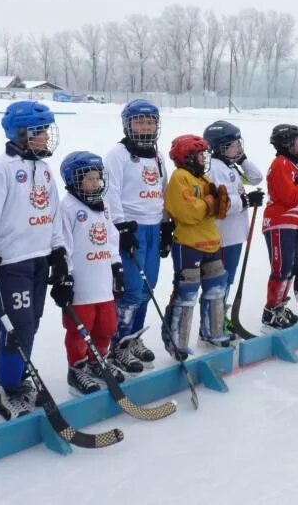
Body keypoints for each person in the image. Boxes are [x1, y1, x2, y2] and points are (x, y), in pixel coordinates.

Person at [0, 100, 63, 420]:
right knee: (17, 328)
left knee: (31, 325)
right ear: (21, 133)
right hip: (9, 262)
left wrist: (59, 251)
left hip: (38, 259)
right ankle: (6, 392)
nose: (46, 137)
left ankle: (19, 381)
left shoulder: (44, 169)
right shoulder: (2, 169)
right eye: (40, 132)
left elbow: (53, 216)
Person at [103, 99, 166, 374]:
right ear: (128, 125)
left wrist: (166, 224)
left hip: (153, 226)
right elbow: (110, 191)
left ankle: (134, 335)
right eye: (139, 121)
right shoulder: (117, 154)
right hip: (132, 227)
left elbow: (162, 190)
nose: (145, 126)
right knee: (130, 289)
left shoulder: (158, 155)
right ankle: (119, 343)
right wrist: (122, 226)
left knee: (148, 286)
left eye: (150, 121)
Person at [55, 152, 125, 395]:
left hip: (103, 280)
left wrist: (116, 266)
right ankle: (77, 369)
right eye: (89, 179)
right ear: (74, 181)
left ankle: (98, 361)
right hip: (81, 285)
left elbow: (111, 238)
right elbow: (63, 244)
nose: (95, 184)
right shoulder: (68, 208)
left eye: (97, 178)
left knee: (106, 326)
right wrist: (66, 276)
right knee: (79, 329)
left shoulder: (102, 205)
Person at [162, 135, 230, 357]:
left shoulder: (203, 178)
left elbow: (215, 210)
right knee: (187, 293)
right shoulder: (180, 177)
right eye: (200, 155)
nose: (204, 159)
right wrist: (209, 204)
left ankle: (213, 332)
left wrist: (217, 205)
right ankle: (177, 342)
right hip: (189, 245)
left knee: (216, 288)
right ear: (188, 157)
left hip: (211, 242)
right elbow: (187, 212)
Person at [202, 121, 264, 334]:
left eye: (239, 143)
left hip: (235, 235)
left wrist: (243, 159)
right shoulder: (216, 170)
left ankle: (220, 318)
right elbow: (223, 204)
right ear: (218, 147)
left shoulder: (230, 167)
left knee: (227, 280)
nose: (238, 148)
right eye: (233, 145)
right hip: (223, 236)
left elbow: (256, 178)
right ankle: (210, 325)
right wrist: (247, 200)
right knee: (219, 281)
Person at [261, 124, 298, 329]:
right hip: (280, 223)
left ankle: (279, 305)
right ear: (287, 143)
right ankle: (271, 310)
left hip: (292, 223)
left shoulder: (293, 165)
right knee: (281, 268)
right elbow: (289, 197)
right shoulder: (280, 164)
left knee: (290, 267)